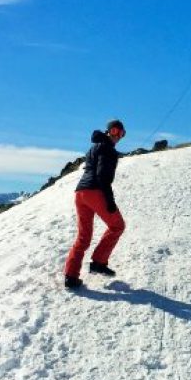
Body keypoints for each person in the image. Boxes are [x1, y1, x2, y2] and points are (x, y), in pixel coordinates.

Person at [63, 119, 127, 288]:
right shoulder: (108, 150)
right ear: (108, 131)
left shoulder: (94, 147)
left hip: (80, 193)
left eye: (121, 133)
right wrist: (110, 201)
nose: (117, 136)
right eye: (114, 131)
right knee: (117, 226)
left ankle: (71, 276)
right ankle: (99, 262)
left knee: (84, 237)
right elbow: (102, 177)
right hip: (95, 192)